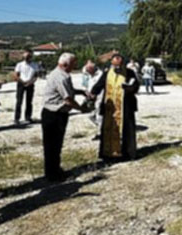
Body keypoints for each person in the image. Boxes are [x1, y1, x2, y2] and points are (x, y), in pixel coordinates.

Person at [41, 52, 89, 182]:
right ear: (65, 64)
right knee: (52, 145)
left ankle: (55, 170)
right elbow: (68, 99)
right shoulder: (60, 77)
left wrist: (82, 92)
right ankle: (52, 174)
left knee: (56, 145)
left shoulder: (62, 74)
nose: (75, 65)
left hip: (58, 114)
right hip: (54, 114)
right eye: (73, 63)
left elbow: (70, 90)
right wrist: (81, 108)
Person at [91, 54, 139, 161]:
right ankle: (107, 153)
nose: (118, 67)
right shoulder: (107, 73)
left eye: (120, 65)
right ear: (111, 63)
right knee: (107, 130)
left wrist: (130, 88)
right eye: (115, 65)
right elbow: (98, 86)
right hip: (110, 108)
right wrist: (92, 94)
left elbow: (136, 86)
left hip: (125, 107)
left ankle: (128, 153)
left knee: (128, 130)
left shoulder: (129, 73)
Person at [13, 50, 38, 124]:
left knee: (29, 102)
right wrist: (22, 82)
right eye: (25, 57)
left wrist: (30, 82)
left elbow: (35, 76)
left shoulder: (34, 65)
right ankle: (17, 118)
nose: (27, 58)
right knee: (19, 101)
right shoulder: (19, 65)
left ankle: (28, 117)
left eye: (28, 56)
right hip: (21, 83)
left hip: (30, 84)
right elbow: (16, 75)